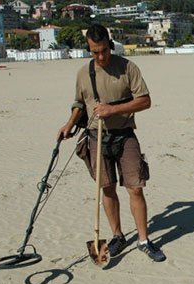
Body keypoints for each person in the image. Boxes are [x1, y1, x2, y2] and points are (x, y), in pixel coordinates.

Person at [58, 24, 166, 262]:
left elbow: (145, 101)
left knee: (135, 188)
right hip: (96, 138)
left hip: (125, 135)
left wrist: (112, 109)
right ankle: (117, 236)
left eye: (104, 50)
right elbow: (79, 103)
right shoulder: (83, 73)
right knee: (107, 188)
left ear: (110, 44)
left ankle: (144, 240)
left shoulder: (128, 67)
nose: (100, 56)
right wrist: (68, 125)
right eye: (94, 52)